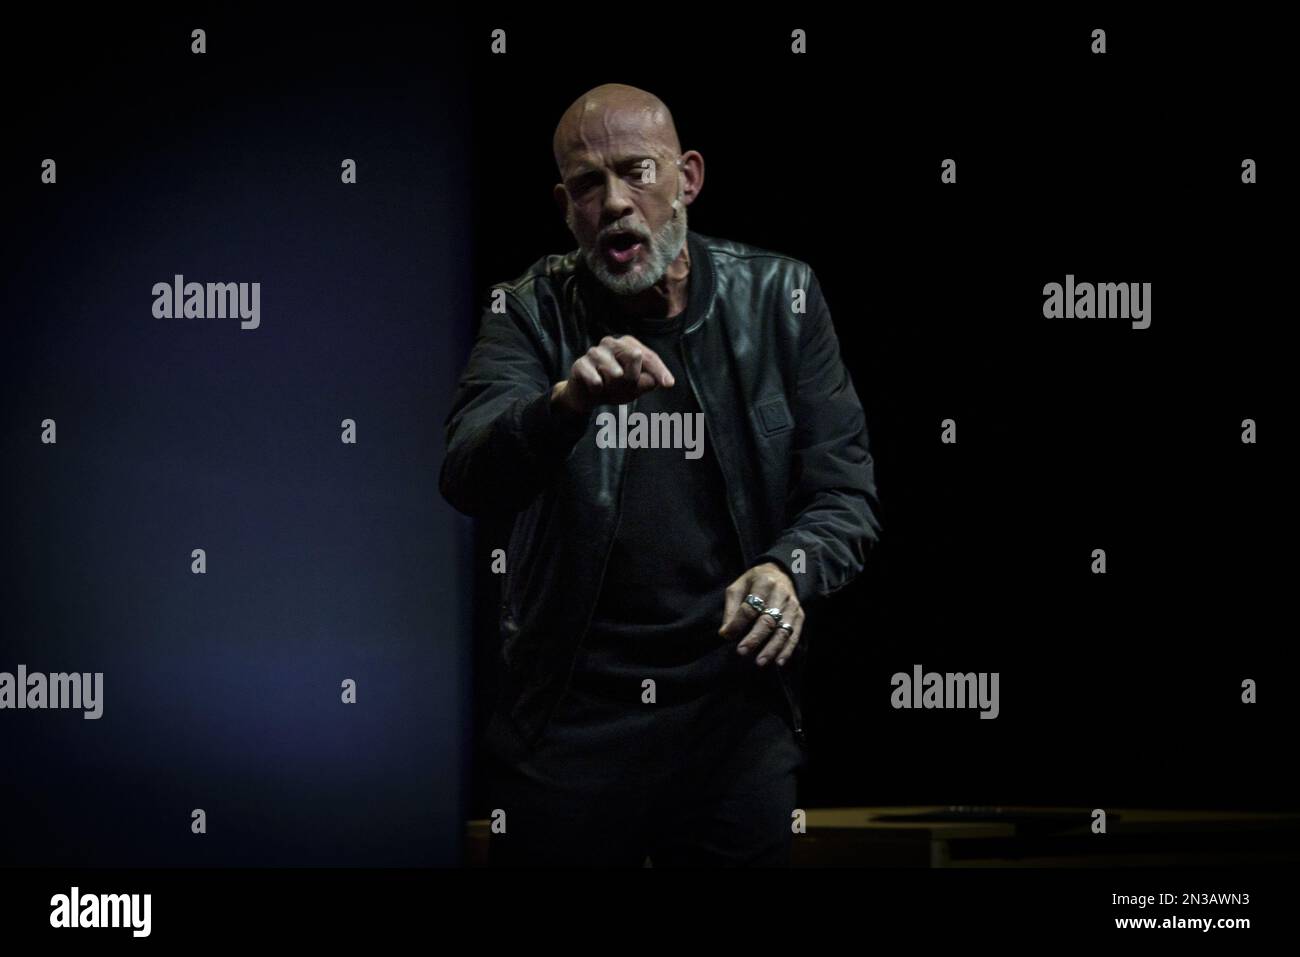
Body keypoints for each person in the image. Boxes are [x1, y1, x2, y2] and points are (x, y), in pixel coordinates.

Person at [441, 83, 882, 866]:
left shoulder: (782, 297)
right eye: (587, 185)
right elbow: (469, 474)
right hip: (572, 720)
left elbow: (844, 495)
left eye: (637, 171)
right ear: (565, 206)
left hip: (734, 717)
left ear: (688, 177)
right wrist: (565, 403)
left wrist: (790, 567)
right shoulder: (528, 312)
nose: (615, 202)